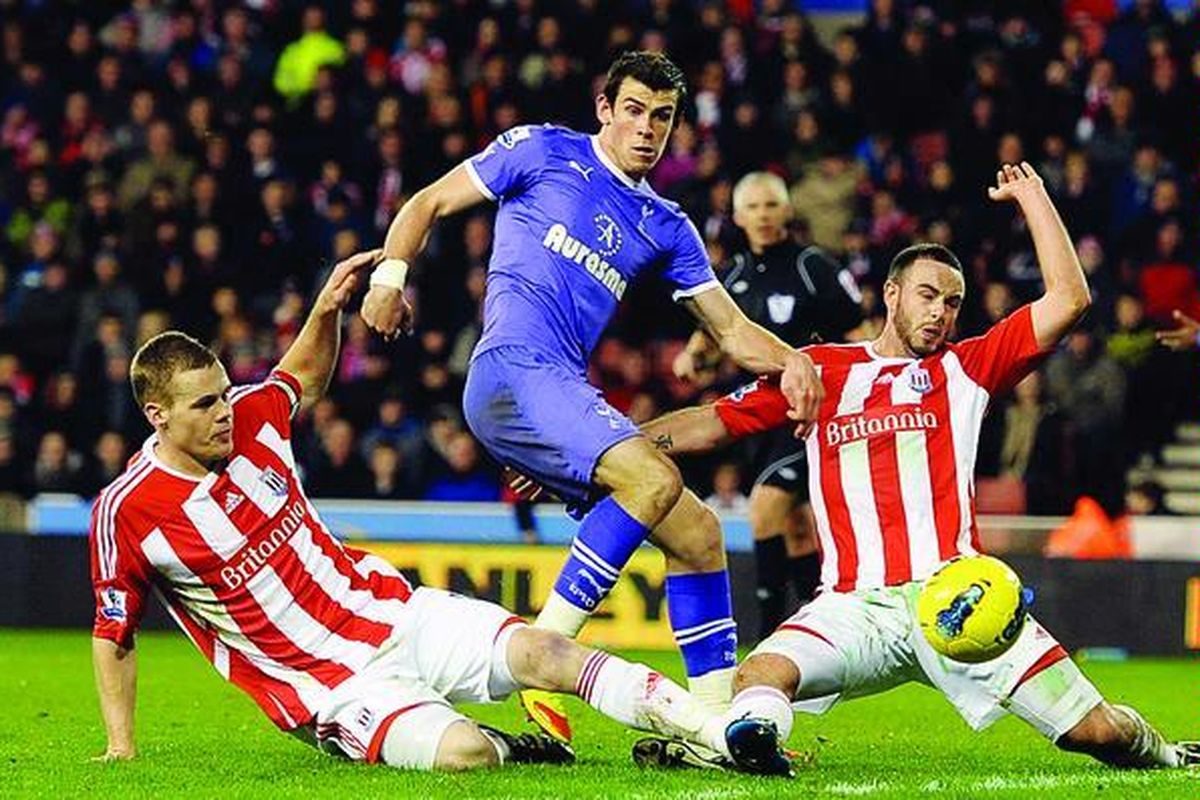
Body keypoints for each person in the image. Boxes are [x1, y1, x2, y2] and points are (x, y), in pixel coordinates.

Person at [629, 164, 1198, 774]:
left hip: (959, 601)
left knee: (1098, 732)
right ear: (892, 295)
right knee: (764, 672)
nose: (941, 314)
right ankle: (752, 749)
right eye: (928, 297)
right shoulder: (822, 371)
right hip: (855, 606)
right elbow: (711, 422)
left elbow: (1069, 300)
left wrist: (1033, 197)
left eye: (953, 303)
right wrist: (603, 450)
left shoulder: (967, 369)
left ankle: (1168, 753)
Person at [89, 249, 749, 773]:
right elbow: (113, 636)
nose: (224, 411)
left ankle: (718, 735)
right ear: (158, 415)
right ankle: (512, 746)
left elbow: (303, 376)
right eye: (203, 405)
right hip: (329, 691)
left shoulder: (255, 418)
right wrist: (122, 745)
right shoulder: (128, 510)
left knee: (546, 651)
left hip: (392, 614)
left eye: (224, 393)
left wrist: (325, 310)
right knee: (462, 755)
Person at [359, 51, 822, 740]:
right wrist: (388, 279)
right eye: (634, 110)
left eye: (662, 117)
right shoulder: (541, 149)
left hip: (559, 395)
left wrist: (800, 365)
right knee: (653, 479)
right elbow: (426, 202)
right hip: (512, 368)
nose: (647, 128)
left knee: (696, 535)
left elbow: (729, 329)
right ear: (605, 109)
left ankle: (721, 717)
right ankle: (541, 659)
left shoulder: (667, 225)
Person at [673, 171, 862, 639]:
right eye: (753, 207)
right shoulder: (730, 276)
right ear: (738, 216)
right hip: (757, 414)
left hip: (811, 410)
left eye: (771, 205)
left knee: (765, 507)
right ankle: (822, 628)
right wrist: (694, 355)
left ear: (787, 211)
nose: (762, 215)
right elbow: (717, 334)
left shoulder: (813, 267)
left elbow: (859, 334)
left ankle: (768, 636)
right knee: (797, 528)